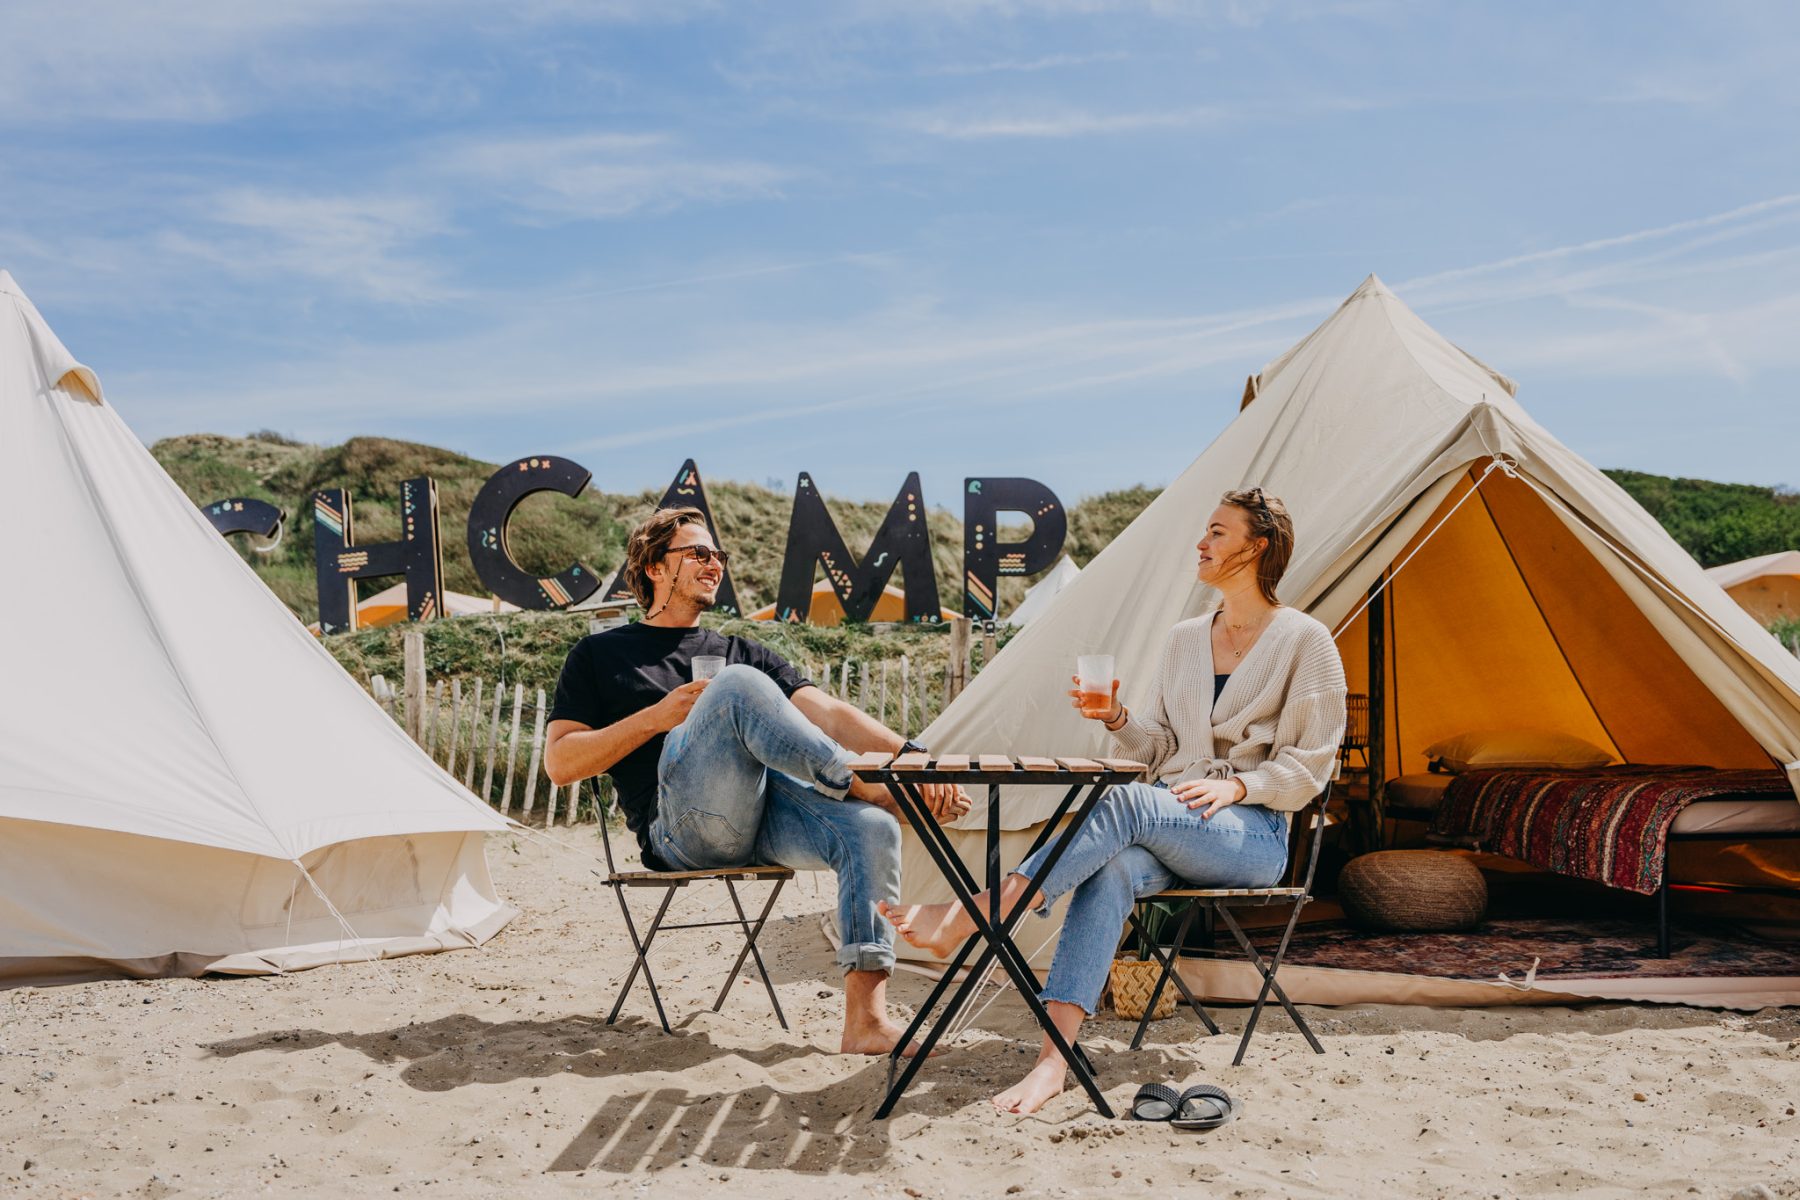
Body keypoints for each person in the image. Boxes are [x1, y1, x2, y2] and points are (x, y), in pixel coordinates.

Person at [881, 488, 1345, 1112]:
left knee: (1125, 805)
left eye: (1216, 532)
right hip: (1173, 819)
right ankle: (1054, 1060)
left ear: (1255, 547)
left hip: (1250, 834)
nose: (1200, 544)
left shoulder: (1304, 641)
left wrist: (1238, 785)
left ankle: (982, 910)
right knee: (1113, 868)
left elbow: (1313, 763)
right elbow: (1156, 749)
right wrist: (1118, 715)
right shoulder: (1185, 639)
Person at [545, 506, 969, 1055]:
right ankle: (863, 782)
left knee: (873, 830)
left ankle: (866, 1022)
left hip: (759, 817)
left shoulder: (740, 649)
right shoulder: (600, 655)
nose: (714, 563)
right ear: (654, 567)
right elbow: (560, 763)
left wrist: (914, 757)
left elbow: (829, 713)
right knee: (739, 687)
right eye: (698, 553)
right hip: (678, 830)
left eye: (718, 555)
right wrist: (657, 717)